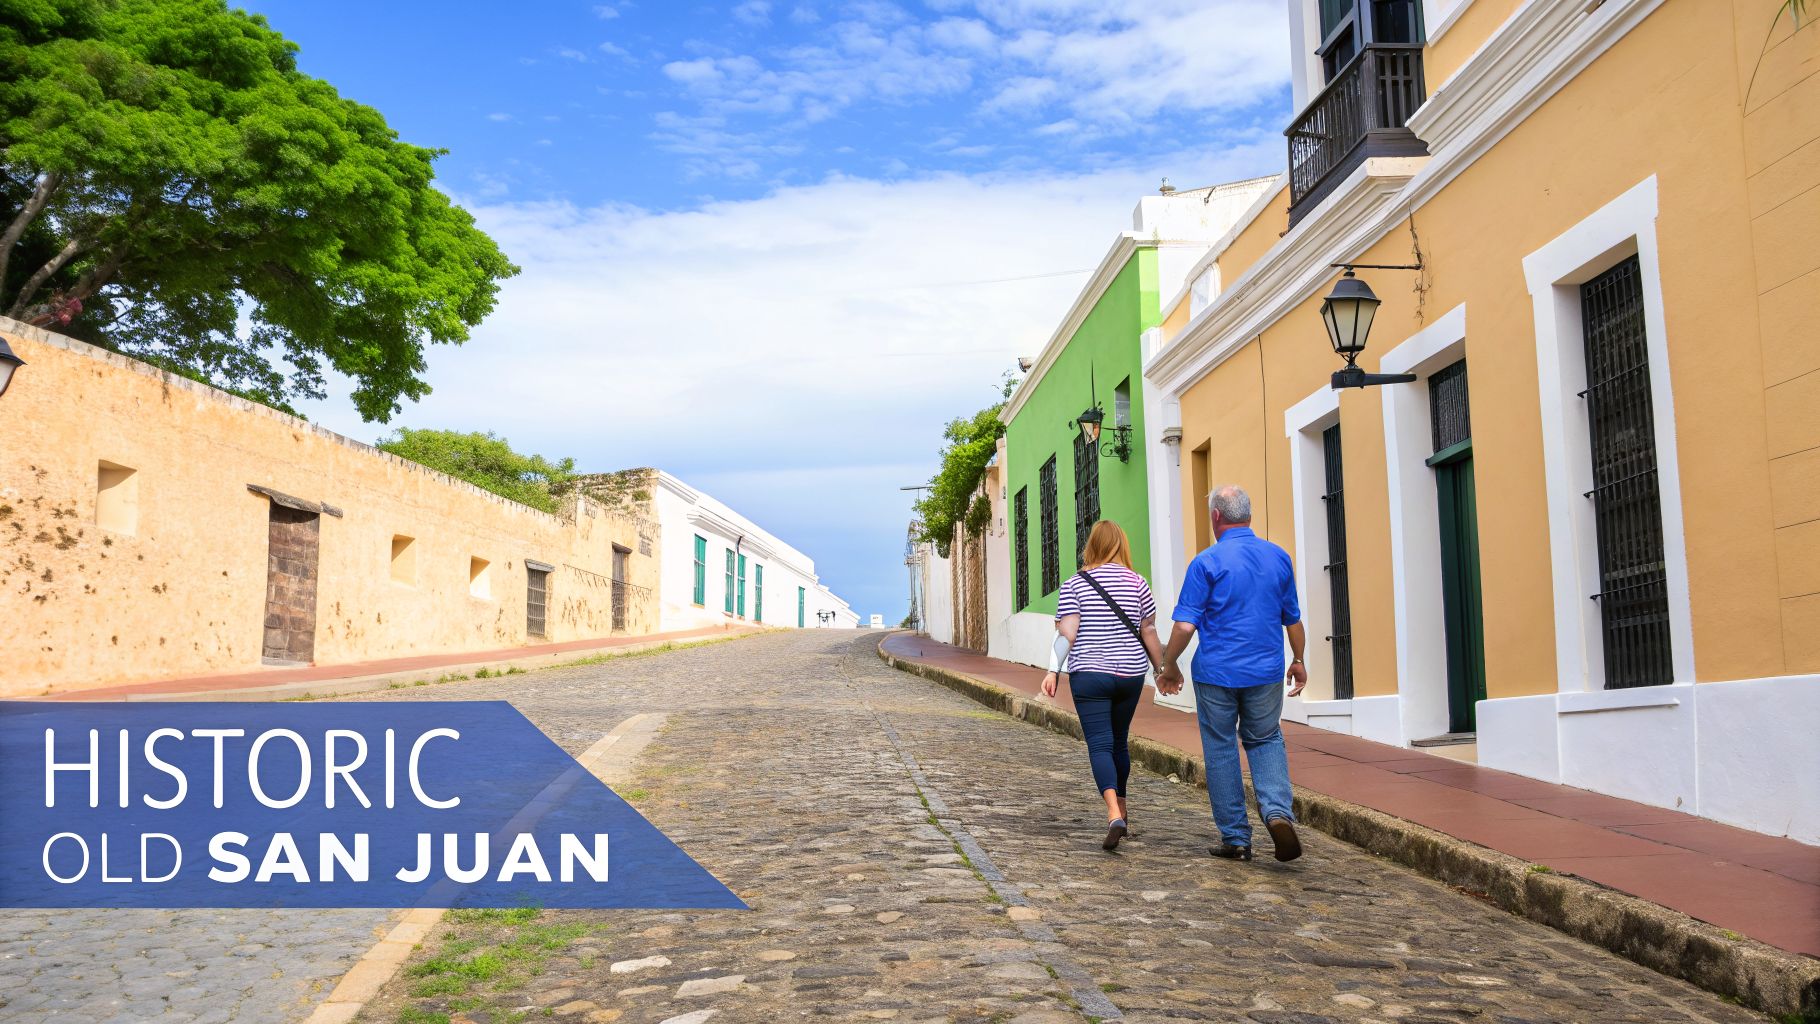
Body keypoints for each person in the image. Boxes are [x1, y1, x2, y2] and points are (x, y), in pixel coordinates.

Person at [1158, 485, 1307, 863]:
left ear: (1216, 517)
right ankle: (1276, 813)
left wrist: (1168, 663)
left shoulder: (1206, 563)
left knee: (1221, 747)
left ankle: (1237, 839)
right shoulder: (1279, 558)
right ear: (1249, 515)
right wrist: (1299, 659)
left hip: (1217, 674)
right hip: (1266, 670)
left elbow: (1185, 627)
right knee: (1266, 738)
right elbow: (1292, 618)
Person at [1040, 520, 1166, 852]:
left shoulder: (1075, 584)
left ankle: (1113, 814)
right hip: (1130, 675)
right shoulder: (1138, 582)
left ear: (1091, 546)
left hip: (1090, 674)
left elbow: (1066, 634)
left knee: (1100, 745)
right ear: (1121, 544)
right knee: (1119, 742)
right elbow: (1148, 631)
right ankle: (1123, 810)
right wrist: (1162, 668)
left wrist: (1053, 670)